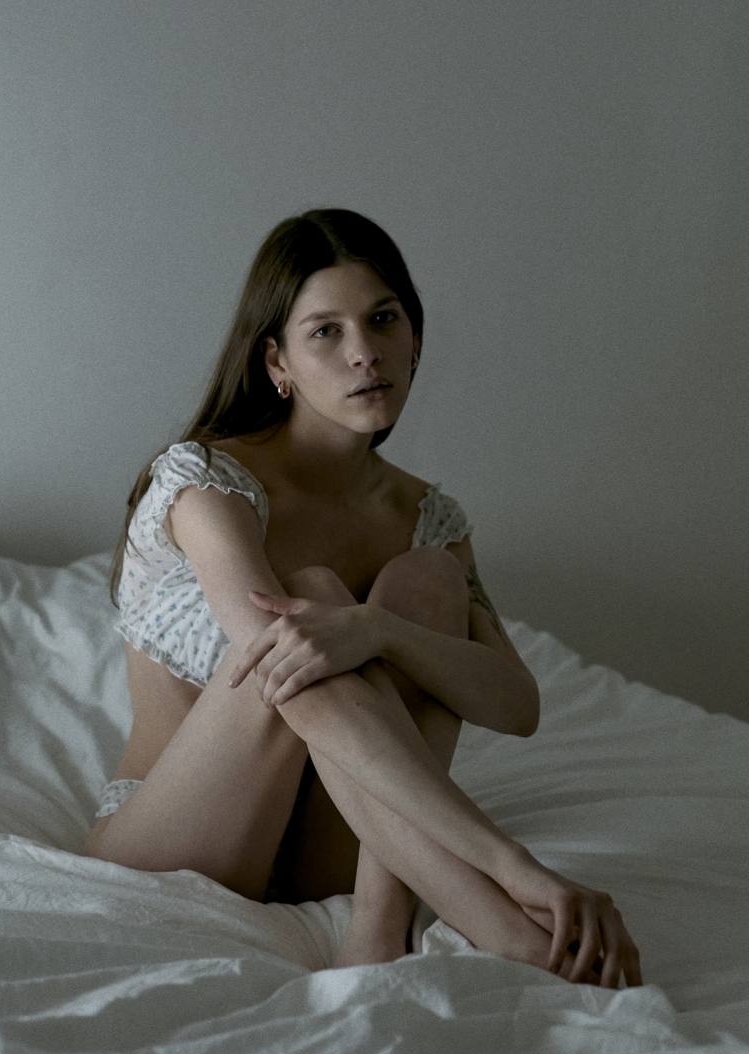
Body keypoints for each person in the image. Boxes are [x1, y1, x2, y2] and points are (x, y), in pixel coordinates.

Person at [85, 207, 642, 986]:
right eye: (326, 331)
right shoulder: (205, 481)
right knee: (307, 602)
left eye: (383, 319)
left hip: (338, 842)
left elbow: (518, 704)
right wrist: (505, 862)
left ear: (414, 337)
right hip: (187, 833)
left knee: (427, 582)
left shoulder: (427, 516)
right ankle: (502, 918)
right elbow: (278, 659)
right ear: (276, 361)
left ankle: (378, 925)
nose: (364, 353)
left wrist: (382, 630)